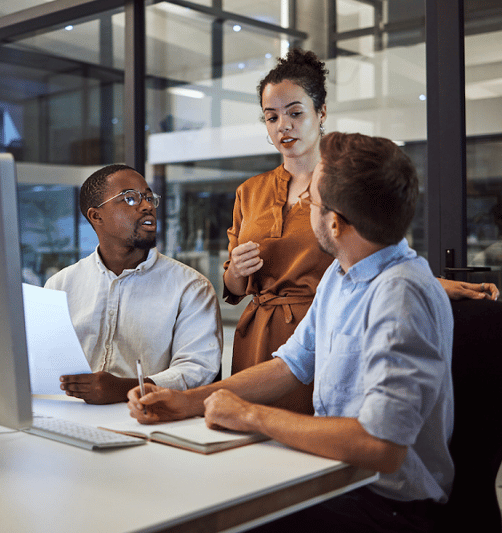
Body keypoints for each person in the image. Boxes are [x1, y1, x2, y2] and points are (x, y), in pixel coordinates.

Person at [129, 132, 454, 532]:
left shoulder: (399, 295)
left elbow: (381, 447)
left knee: (214, 516)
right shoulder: (341, 274)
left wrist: (249, 415)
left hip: (386, 506)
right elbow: (291, 364)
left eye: (311, 203)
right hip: (339, 482)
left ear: (334, 223)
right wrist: (190, 400)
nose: (304, 205)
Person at [223, 49, 497, 414]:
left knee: (318, 436)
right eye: (271, 117)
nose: (283, 126)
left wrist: (431, 284)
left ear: (321, 113)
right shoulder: (250, 191)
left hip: (326, 327)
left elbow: (382, 256)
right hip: (258, 337)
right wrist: (235, 273)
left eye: (295, 113)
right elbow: (233, 288)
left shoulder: (346, 184)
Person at [45, 164, 222, 404]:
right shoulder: (60, 285)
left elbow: (199, 369)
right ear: (96, 216)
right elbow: (42, 363)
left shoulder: (191, 287)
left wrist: (128, 389)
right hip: (68, 415)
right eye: (130, 199)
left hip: (149, 418)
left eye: (149, 198)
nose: (147, 206)